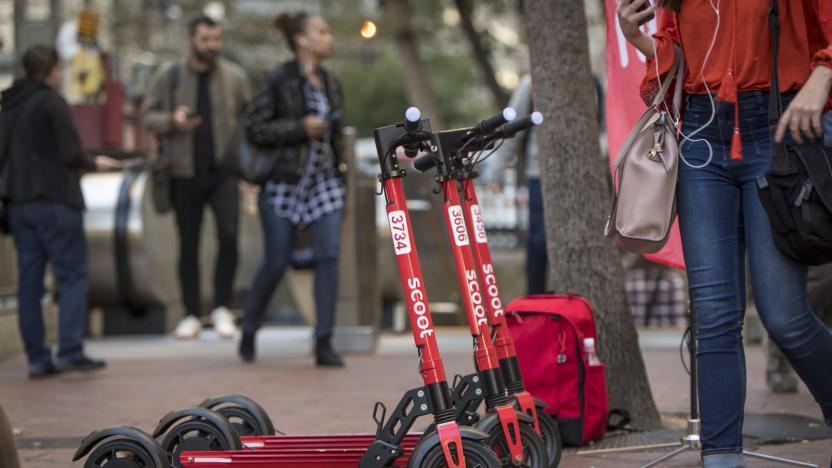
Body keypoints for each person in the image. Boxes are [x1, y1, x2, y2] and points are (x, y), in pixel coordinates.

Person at [617, 1, 832, 466]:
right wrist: (639, 40)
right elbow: (675, 55)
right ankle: (720, 457)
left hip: (779, 127)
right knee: (714, 317)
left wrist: (824, 73)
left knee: (786, 317)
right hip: (700, 134)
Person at [0, 45, 118, 378]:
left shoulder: (8, 105)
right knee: (72, 276)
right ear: (52, 70)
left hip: (19, 205)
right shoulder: (52, 101)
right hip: (55, 200)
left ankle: (37, 359)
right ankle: (69, 350)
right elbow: (70, 152)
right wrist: (95, 162)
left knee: (29, 283)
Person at [239, 11, 346, 367]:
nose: (329, 38)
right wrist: (300, 128)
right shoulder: (277, 78)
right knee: (276, 261)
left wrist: (342, 172)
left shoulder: (330, 82)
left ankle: (324, 341)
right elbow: (255, 128)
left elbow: (337, 133)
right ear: (301, 39)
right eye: (322, 31)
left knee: (329, 256)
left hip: (324, 181)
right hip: (284, 182)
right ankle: (250, 328)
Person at [143, 16, 251, 340]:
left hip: (224, 173)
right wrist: (172, 120)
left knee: (229, 238)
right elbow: (148, 116)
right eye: (206, 40)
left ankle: (221, 308)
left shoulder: (234, 76)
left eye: (217, 39)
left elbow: (251, 118)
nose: (213, 46)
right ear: (191, 41)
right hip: (183, 172)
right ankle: (190, 313)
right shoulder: (169, 75)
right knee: (187, 244)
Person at [479, 75, 548, 294]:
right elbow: (512, 131)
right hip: (539, 174)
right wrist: (494, 174)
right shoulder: (532, 84)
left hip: (584, 177)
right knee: (539, 241)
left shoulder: (593, 83)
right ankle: (535, 299)